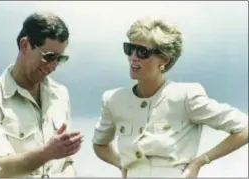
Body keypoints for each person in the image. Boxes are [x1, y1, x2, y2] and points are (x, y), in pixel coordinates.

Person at [92, 17, 248, 177]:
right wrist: (122, 165)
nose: (133, 56)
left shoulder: (185, 96)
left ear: (164, 60)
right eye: (129, 48)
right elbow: (99, 143)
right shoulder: (113, 99)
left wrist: (200, 162)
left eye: (142, 52)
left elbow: (244, 128)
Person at [0, 12, 82, 178]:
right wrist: (47, 153)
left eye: (60, 58)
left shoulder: (60, 94)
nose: (53, 66)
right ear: (24, 45)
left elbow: (67, 163)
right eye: (49, 56)